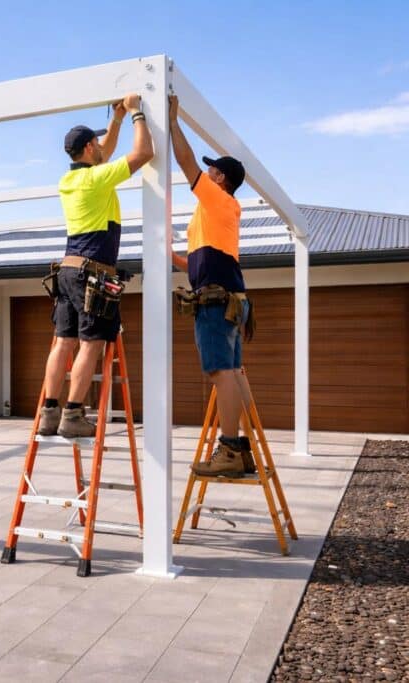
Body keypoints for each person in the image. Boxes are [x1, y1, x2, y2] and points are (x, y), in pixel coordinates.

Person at [38, 93, 154, 438]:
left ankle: (49, 412)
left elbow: (106, 150)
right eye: (97, 144)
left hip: (68, 271)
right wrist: (136, 114)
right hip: (93, 273)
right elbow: (144, 153)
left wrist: (115, 119)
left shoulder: (70, 180)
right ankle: (74, 415)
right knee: (91, 344)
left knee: (63, 342)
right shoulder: (96, 179)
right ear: (90, 147)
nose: (102, 147)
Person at [168, 94, 255, 477]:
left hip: (217, 304)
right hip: (227, 297)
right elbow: (199, 262)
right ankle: (245, 446)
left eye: (212, 171)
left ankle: (231, 449)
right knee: (233, 372)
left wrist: (172, 121)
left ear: (221, 178)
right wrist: (172, 258)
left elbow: (186, 162)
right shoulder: (215, 214)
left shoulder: (217, 199)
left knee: (221, 373)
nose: (207, 174)